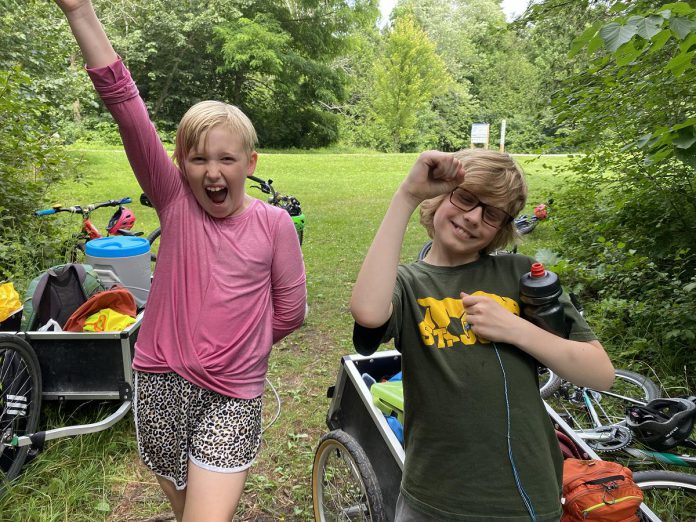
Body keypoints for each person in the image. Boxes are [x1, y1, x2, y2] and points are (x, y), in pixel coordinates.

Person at [53, 1, 307, 520]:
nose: (213, 172)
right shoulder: (173, 200)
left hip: (233, 393)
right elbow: (126, 105)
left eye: (227, 159)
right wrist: (80, 10)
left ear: (249, 164)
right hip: (160, 381)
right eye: (199, 159)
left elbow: (291, 310)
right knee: (185, 502)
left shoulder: (274, 225)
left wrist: (238, 348)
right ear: (179, 164)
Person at [350, 149, 615, 521]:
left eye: (491, 214)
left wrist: (515, 328)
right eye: (466, 198)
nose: (473, 217)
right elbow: (367, 311)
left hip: (525, 497)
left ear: (503, 228)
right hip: (432, 496)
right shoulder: (409, 284)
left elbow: (600, 373)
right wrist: (407, 195)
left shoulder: (521, 277)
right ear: (441, 197)